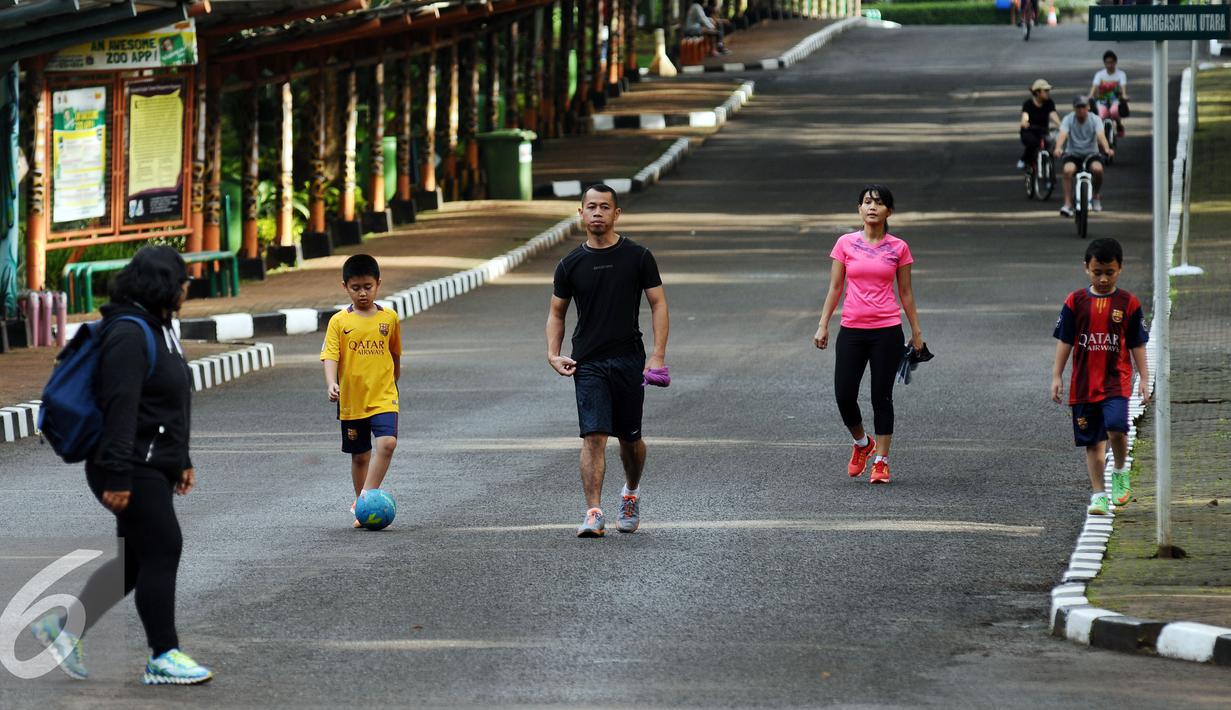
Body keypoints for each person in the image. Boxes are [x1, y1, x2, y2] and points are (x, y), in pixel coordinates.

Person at [30, 246, 212, 685]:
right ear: (163, 284)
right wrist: (117, 474)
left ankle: (64, 627)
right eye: (182, 279)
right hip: (129, 464)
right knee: (164, 547)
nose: (187, 286)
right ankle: (163, 655)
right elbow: (121, 408)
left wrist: (181, 459)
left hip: (152, 461)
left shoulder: (160, 326)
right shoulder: (129, 334)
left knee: (134, 560)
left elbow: (170, 402)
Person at [547, 184, 669, 537]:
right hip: (588, 363)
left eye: (604, 207)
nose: (597, 212)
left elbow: (658, 304)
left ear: (616, 214)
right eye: (591, 207)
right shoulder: (570, 264)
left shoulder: (638, 256)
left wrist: (657, 355)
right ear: (581, 213)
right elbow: (557, 313)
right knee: (594, 437)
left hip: (629, 359)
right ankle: (594, 512)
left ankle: (630, 492)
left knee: (630, 440)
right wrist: (553, 354)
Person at [814, 185, 924, 485]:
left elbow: (906, 293)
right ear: (859, 209)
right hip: (851, 330)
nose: (871, 207)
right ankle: (863, 444)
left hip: (886, 331)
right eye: (866, 202)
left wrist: (916, 332)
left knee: (881, 397)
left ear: (889, 210)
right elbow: (835, 287)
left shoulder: (898, 248)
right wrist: (823, 323)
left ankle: (881, 461)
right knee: (844, 395)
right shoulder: (845, 244)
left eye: (878, 203)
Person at [1051, 238, 1149, 515]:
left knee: (1117, 428)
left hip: (1115, 382)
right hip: (1083, 386)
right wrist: (1057, 375)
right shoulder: (1075, 302)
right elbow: (1065, 341)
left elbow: (1137, 344)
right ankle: (1098, 494)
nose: (1103, 278)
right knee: (1092, 442)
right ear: (1086, 268)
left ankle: (1119, 471)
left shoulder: (1128, 303)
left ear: (1120, 269)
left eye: (1110, 272)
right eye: (1097, 272)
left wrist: (1143, 377)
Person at [321, 254, 403, 529]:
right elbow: (330, 354)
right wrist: (331, 382)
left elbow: (395, 353)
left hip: (384, 395)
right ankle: (363, 505)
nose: (363, 293)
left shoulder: (389, 318)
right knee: (360, 456)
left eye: (368, 286)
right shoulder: (339, 322)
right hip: (352, 399)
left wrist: (394, 380)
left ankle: (365, 500)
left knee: (388, 443)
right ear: (345, 287)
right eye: (356, 288)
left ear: (378, 284)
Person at [1053, 95, 1114, 216]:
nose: (1081, 110)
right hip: (1073, 154)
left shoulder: (1095, 119)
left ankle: (1096, 195)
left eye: (1083, 107)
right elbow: (1062, 134)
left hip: (1091, 154)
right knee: (1067, 170)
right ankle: (1067, 204)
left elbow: (1101, 136)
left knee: (1098, 169)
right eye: (1078, 107)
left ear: (1088, 107)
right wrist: (1058, 148)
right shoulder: (1068, 119)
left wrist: (1107, 149)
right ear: (1074, 108)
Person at [1018, 78, 1060, 170]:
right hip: (1030, 131)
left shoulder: (1049, 103)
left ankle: (1047, 168)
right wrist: (1024, 122)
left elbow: (1053, 115)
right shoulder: (1028, 104)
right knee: (1033, 143)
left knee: (1051, 142)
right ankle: (1024, 160)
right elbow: (1025, 116)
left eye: (1048, 90)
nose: (1048, 92)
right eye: (1045, 91)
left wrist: (1061, 125)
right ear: (1037, 92)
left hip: (1043, 131)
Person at [1089, 50, 1129, 137]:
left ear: (1115, 62)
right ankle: (1101, 135)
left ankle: (1119, 125)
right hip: (1102, 100)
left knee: (1114, 112)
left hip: (1115, 100)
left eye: (1111, 62)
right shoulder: (1099, 74)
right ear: (1104, 63)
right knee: (1102, 115)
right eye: (1107, 63)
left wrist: (1124, 95)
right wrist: (1090, 96)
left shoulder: (1121, 74)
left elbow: (1123, 86)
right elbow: (1095, 86)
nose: (1109, 65)